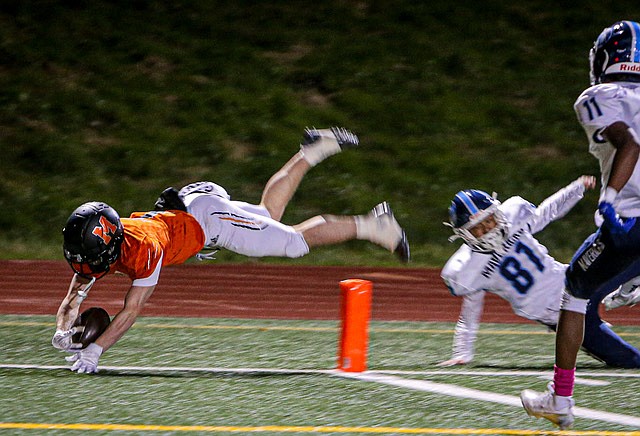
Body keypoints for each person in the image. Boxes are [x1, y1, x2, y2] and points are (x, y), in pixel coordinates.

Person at [52, 127, 410, 374]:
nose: (85, 264)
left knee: (294, 243)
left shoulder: (144, 248)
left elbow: (132, 310)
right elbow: (71, 302)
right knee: (269, 214)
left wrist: (96, 350)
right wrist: (63, 334)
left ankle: (372, 224)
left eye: (90, 256)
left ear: (111, 243)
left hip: (209, 220)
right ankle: (313, 149)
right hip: (192, 207)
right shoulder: (102, 248)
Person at [520, 20, 640, 430]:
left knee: (575, 290)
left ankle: (560, 398)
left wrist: (609, 201)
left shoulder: (598, 97)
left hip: (629, 217)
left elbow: (630, 144)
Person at [440, 177, 640, 369]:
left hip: (577, 282)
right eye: (477, 229)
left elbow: (547, 213)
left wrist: (574, 189)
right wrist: (462, 352)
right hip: (563, 317)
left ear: (497, 213)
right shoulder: (466, 269)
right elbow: (471, 308)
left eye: (488, 221)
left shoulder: (512, 216)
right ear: (465, 235)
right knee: (630, 361)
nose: (487, 230)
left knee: (634, 251)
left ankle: (625, 292)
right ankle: (624, 293)